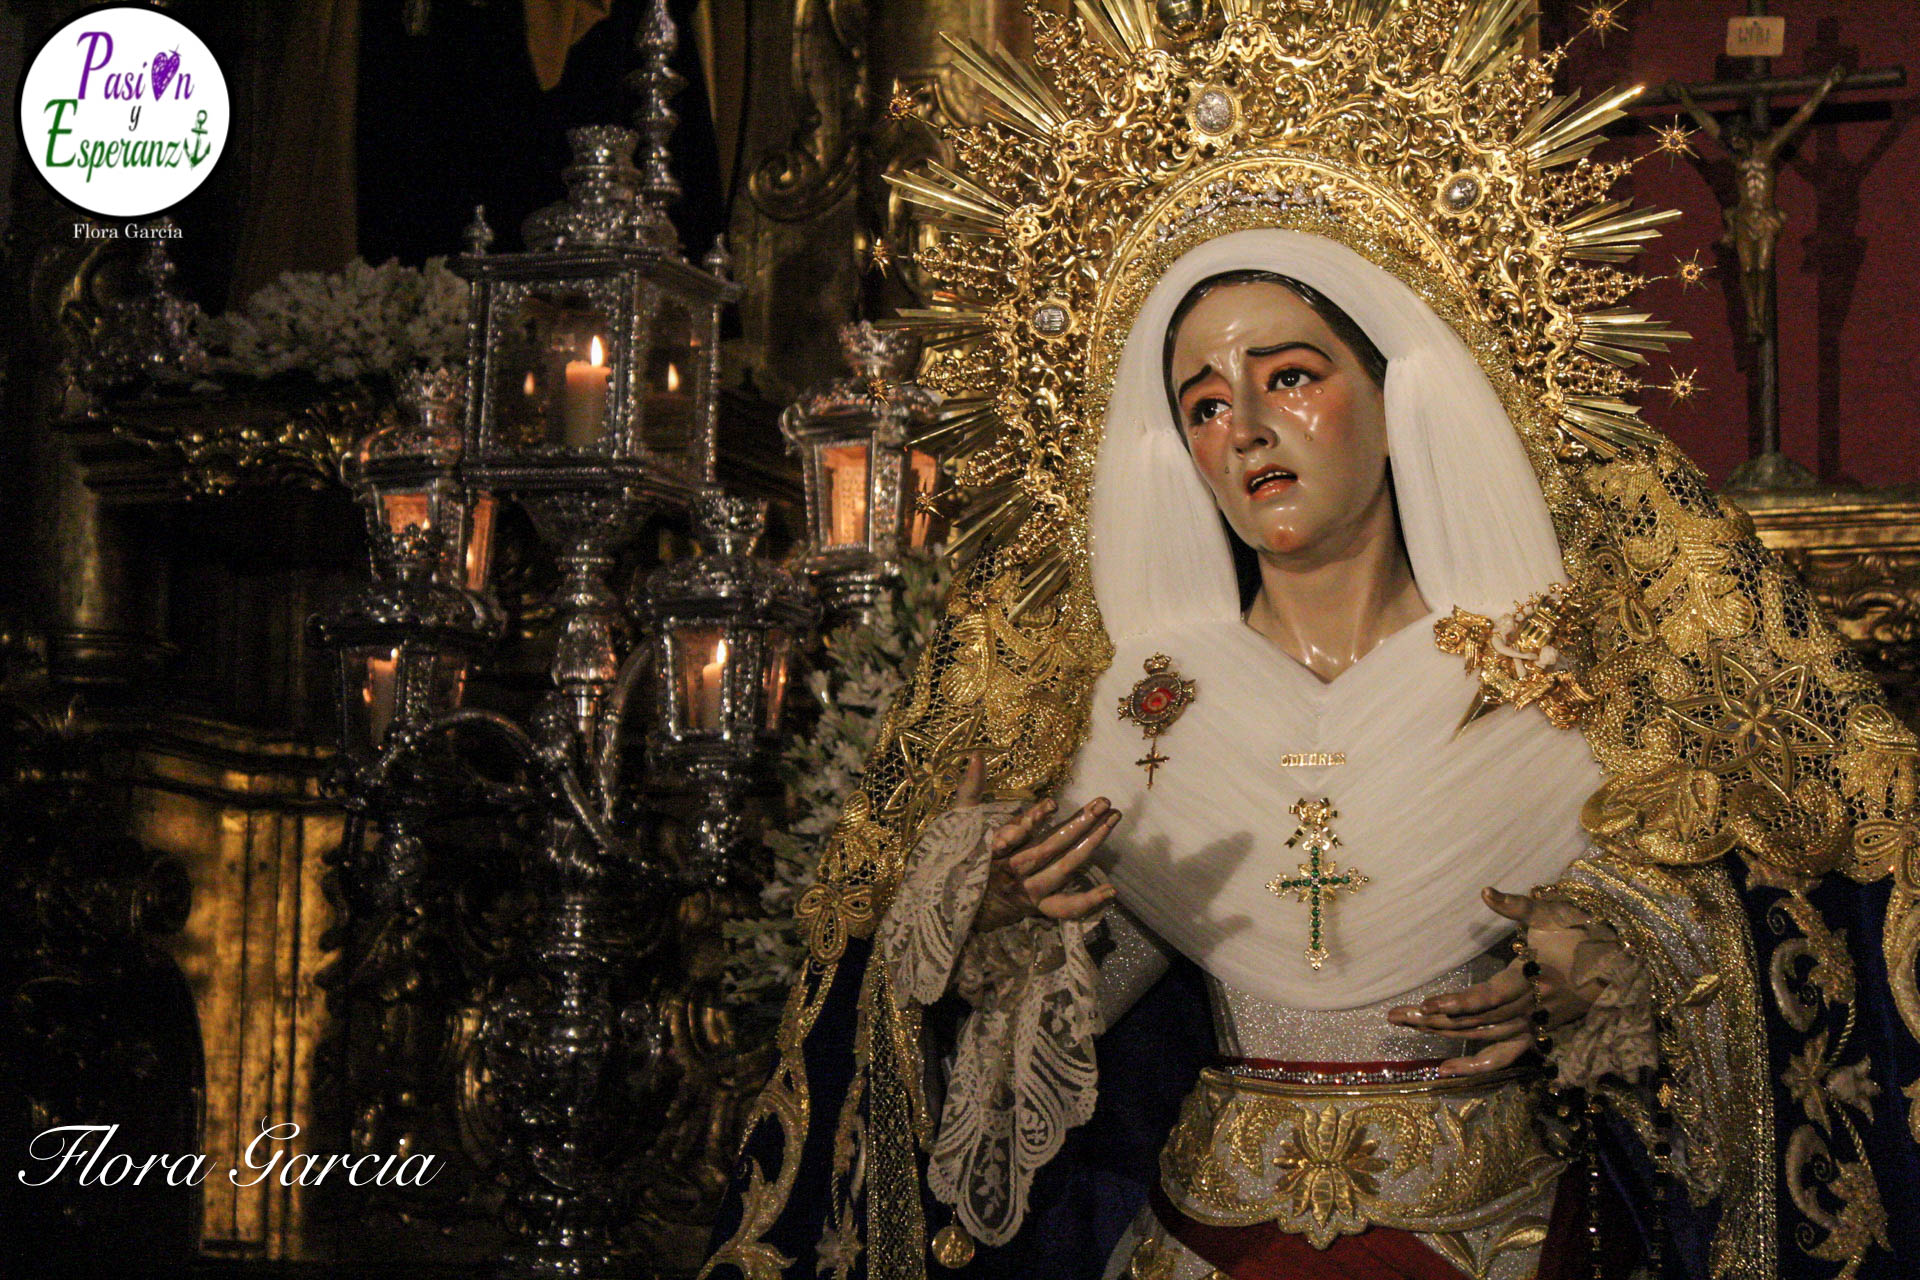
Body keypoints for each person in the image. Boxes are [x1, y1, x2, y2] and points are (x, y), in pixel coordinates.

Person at [701, 5, 1920, 1279]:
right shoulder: (1136, 702)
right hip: (1206, 1240)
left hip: (1499, 1236)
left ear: (1397, 392)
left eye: (1288, 376)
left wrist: (1616, 956)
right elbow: (1061, 1012)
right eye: (1202, 403)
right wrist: (984, 921)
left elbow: (1781, 919)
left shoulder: (1556, 681)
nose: (1245, 429)